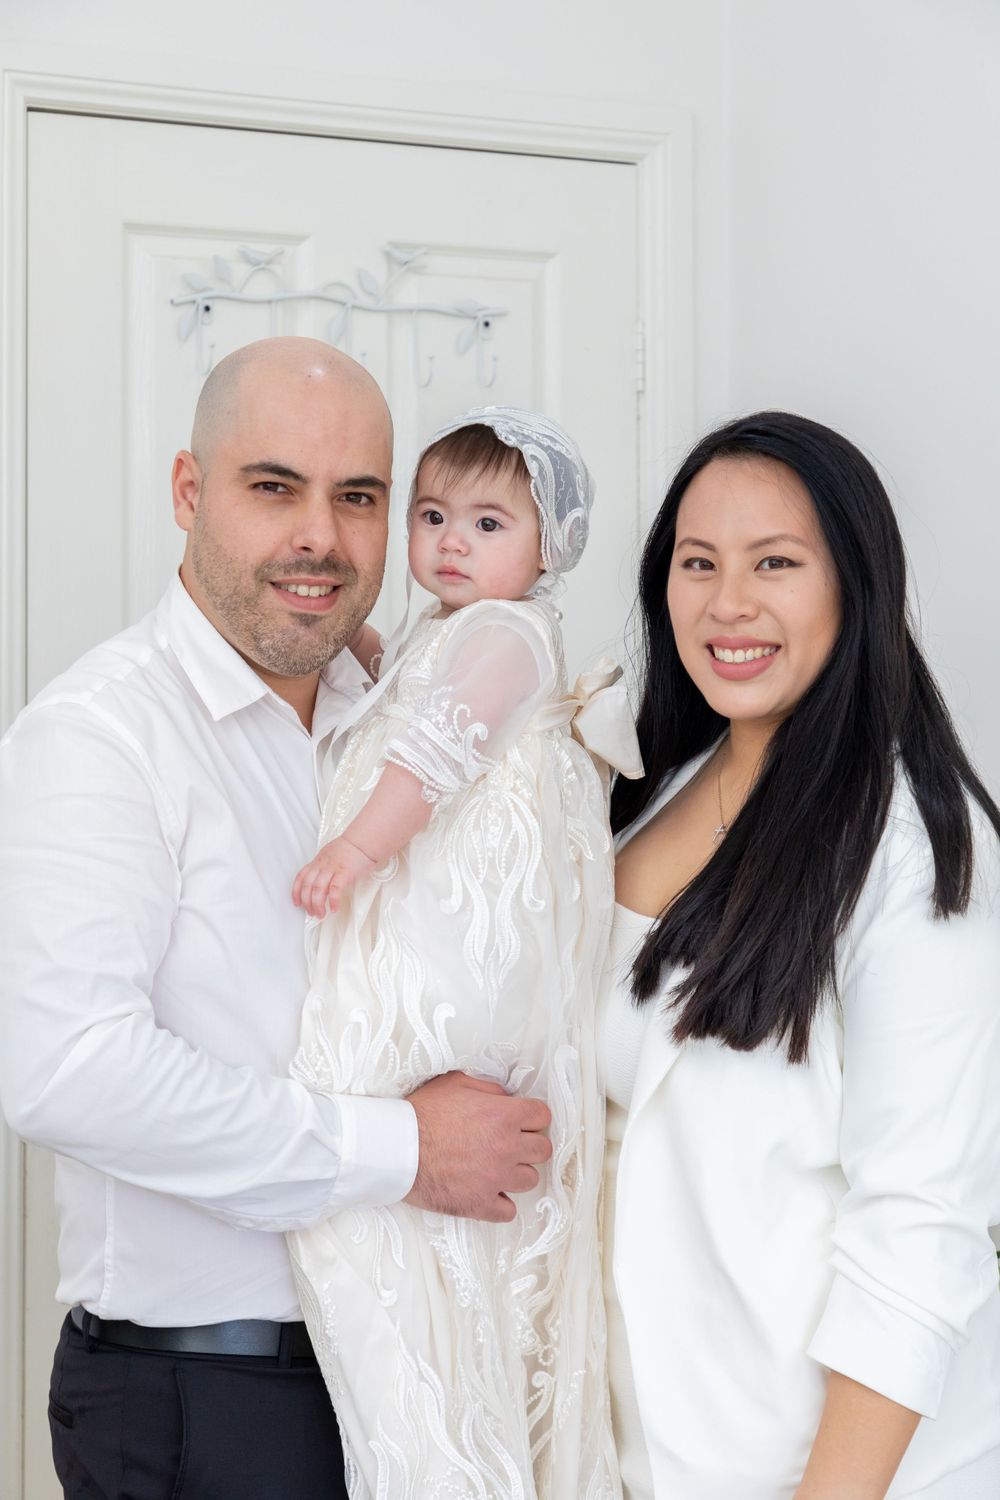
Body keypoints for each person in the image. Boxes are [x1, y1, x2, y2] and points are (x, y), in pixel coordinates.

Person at [0, 339, 556, 1500]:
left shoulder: (395, 711)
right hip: (211, 1399)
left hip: (410, 1380)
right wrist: (406, 1151)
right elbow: (65, 1071)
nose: (321, 538)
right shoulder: (101, 735)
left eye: (358, 497)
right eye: (273, 487)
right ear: (188, 491)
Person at [601, 411, 1000, 1500]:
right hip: (641, 1453)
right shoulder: (653, 788)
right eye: (698, 563)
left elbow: (920, 1235)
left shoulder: (918, 854)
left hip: (823, 1474)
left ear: (856, 584)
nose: (728, 603)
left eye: (774, 563)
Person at [287, 407, 640, 1499]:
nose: (450, 542)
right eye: (432, 515)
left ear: (548, 547)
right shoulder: (449, 630)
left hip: (459, 918)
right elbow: (404, 683)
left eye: (488, 523)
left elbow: (436, 751)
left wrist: (357, 846)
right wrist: (358, 643)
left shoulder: (510, 636)